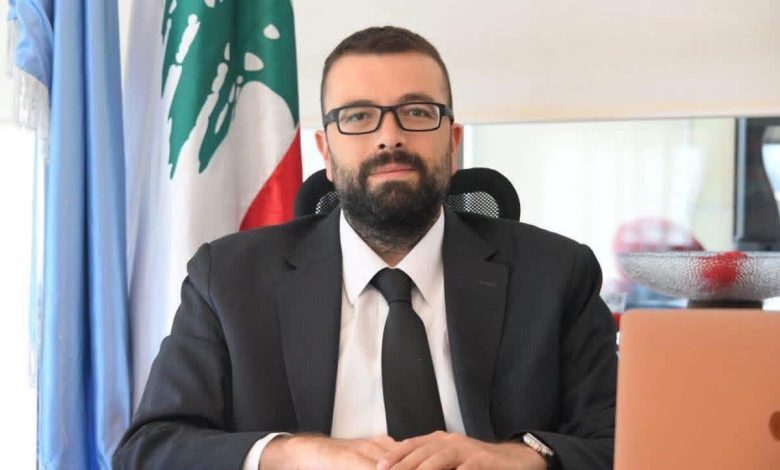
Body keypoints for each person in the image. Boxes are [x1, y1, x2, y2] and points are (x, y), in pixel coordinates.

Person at [113, 26, 617, 470]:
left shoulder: (557, 274)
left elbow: (620, 440)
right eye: (358, 116)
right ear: (326, 152)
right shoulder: (228, 278)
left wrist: (520, 458)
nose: (389, 138)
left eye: (417, 112)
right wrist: (293, 454)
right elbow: (150, 450)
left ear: (453, 142)